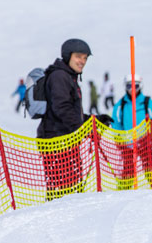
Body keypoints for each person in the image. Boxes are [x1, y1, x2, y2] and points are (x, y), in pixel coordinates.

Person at [37, 39, 111, 200]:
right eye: (78, 57)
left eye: (85, 58)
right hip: (56, 141)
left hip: (65, 140)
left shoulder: (68, 77)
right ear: (67, 56)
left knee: (70, 187)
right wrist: (86, 130)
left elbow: (71, 113)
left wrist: (94, 120)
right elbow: (62, 109)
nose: (82, 61)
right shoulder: (60, 77)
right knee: (63, 190)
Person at [112, 74, 152, 189]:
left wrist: (151, 137)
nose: (132, 89)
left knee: (149, 166)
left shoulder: (147, 102)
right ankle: (124, 190)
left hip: (145, 141)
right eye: (129, 86)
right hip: (128, 142)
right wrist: (120, 138)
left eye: (136, 86)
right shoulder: (121, 104)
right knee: (128, 169)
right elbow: (116, 122)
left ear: (140, 86)